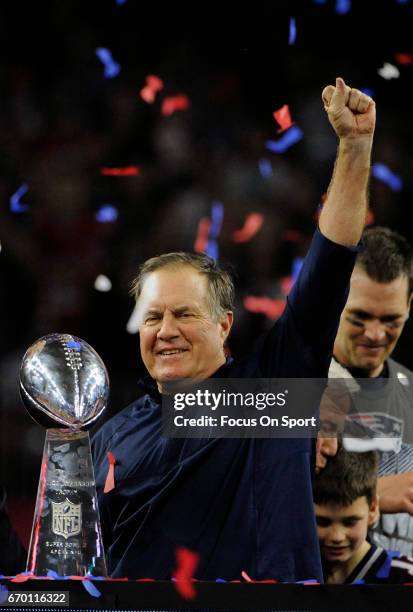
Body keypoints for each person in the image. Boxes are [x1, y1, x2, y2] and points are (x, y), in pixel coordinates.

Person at [92, 78, 376, 581]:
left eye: (184, 314)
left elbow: (327, 268)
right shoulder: (111, 434)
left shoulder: (270, 395)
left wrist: (354, 148)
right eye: (153, 317)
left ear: (225, 325)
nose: (166, 331)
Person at [330, 227, 413, 555]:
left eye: (391, 320)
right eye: (360, 318)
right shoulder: (290, 392)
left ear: (409, 304)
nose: (376, 334)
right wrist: (374, 494)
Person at [313, 447, 413, 583]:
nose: (336, 537)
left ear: (373, 509)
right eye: (323, 522)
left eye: (350, 522)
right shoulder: (292, 572)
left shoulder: (403, 577)